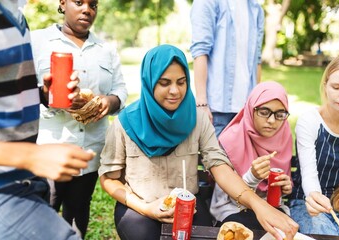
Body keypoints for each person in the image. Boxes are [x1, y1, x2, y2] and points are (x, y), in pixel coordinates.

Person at [99, 44, 298, 240]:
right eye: (165, 83)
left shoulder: (197, 119)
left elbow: (219, 167)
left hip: (189, 206)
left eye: (181, 81)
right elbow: (109, 179)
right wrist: (147, 208)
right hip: (139, 209)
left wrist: (258, 205)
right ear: (150, 82)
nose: (175, 91)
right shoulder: (125, 123)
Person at [0, 1, 95, 239]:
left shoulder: (15, 13)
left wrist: (43, 94)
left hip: (26, 181)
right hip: (2, 189)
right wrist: (30, 156)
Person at [30, 0, 128, 238]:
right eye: (78, 2)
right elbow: (20, 91)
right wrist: (47, 95)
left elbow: (121, 90)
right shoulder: (37, 42)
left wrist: (109, 101)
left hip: (89, 150)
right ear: (62, 4)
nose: (87, 9)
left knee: (79, 211)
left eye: (93, 5)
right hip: (50, 148)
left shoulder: (106, 49)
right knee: (45, 211)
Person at [210, 81, 294, 230]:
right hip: (232, 209)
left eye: (280, 114)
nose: (271, 120)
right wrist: (253, 177)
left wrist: (286, 186)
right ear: (250, 109)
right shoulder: (230, 139)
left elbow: (279, 193)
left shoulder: (284, 136)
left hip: (272, 207)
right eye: (264, 112)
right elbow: (227, 196)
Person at [289, 54, 339, 236]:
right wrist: (314, 197)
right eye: (337, 87)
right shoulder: (310, 121)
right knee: (324, 234)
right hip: (308, 202)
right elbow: (309, 177)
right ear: (325, 86)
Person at [190, 0, 265, 136]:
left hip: (247, 112)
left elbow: (257, 60)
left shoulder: (256, 8)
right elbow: (200, 51)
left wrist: (256, 104)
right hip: (216, 111)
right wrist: (201, 103)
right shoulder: (207, 2)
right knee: (217, 157)